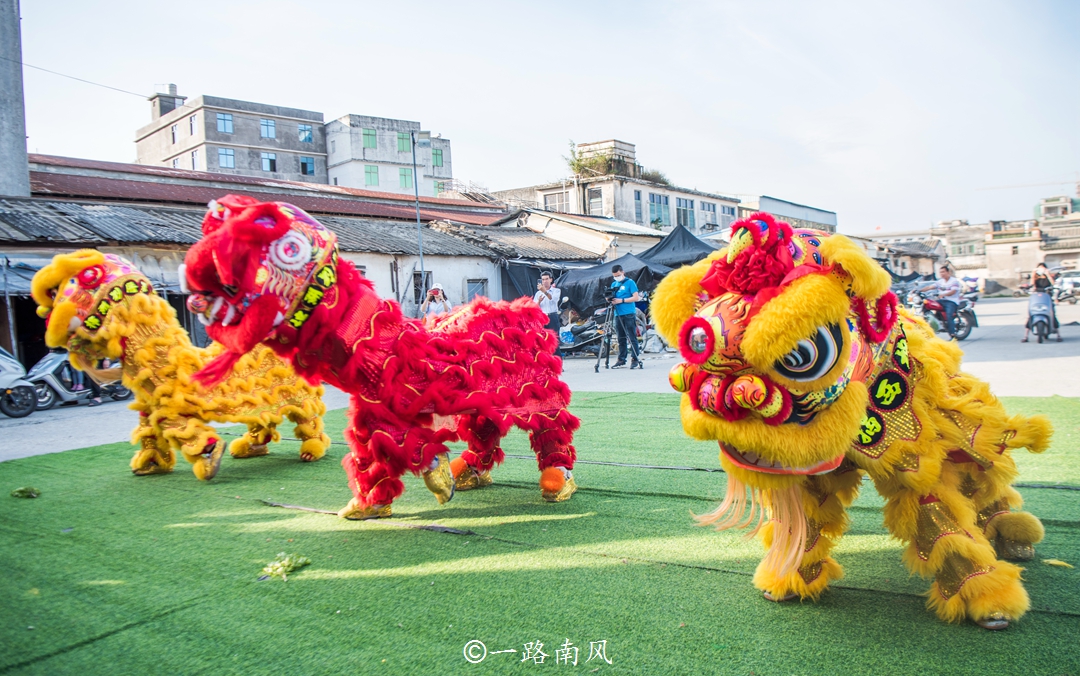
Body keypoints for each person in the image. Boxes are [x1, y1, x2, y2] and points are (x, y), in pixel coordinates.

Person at [609, 264, 642, 369]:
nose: (617, 277)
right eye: (615, 275)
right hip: (617, 313)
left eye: (618, 275)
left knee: (632, 337)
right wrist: (609, 299)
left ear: (622, 272)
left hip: (628, 313)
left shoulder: (630, 283)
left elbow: (636, 297)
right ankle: (621, 359)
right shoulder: (614, 284)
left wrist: (622, 300)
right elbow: (611, 296)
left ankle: (635, 358)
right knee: (620, 338)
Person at [1022, 262, 1062, 342]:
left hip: (1047, 297)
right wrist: (1033, 274)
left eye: (1043, 268)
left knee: (1052, 314)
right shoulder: (1035, 277)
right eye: (1039, 269)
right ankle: (1026, 336)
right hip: (1037, 298)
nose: (1041, 270)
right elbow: (1032, 285)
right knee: (1031, 314)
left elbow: (1053, 284)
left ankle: (1058, 335)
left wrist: (1047, 274)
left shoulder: (1048, 277)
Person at [921, 265, 961, 340]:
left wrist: (943, 294)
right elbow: (930, 287)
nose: (942, 274)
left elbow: (953, 291)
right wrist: (919, 291)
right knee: (927, 305)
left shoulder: (954, 281)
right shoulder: (940, 282)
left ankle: (952, 334)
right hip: (942, 300)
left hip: (951, 301)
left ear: (948, 272)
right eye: (940, 272)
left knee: (949, 316)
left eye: (943, 272)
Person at [533, 271, 562, 356]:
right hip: (542, 318)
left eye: (546, 279)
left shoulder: (556, 291)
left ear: (551, 280)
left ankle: (558, 363)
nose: (545, 281)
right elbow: (534, 306)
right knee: (542, 340)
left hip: (552, 316)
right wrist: (539, 301)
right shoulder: (538, 293)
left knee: (554, 340)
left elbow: (553, 299)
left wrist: (544, 291)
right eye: (543, 279)